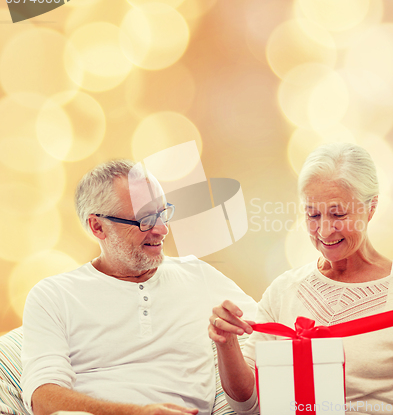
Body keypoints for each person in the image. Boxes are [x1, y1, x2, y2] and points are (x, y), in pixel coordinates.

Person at [209, 143, 393, 415]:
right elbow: (248, 406)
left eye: (338, 214)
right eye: (313, 214)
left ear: (370, 208)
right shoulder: (283, 291)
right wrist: (226, 344)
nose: (324, 230)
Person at [21, 160, 256, 415]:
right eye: (145, 219)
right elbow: (43, 399)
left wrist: (229, 342)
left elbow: (275, 333)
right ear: (97, 226)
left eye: (162, 213)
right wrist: (136, 413)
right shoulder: (53, 296)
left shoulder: (198, 276)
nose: (163, 229)